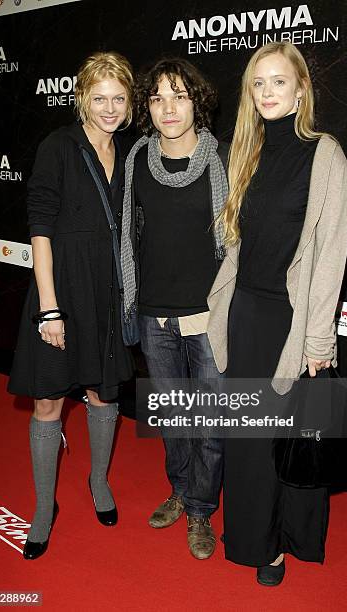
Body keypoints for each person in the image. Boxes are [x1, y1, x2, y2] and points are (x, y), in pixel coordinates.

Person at [207, 42, 347, 584]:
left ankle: (285, 539)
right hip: (246, 313)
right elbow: (237, 246)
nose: (267, 92)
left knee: (286, 439)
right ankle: (256, 542)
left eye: (278, 82)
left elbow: (331, 254)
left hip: (291, 322)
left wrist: (318, 341)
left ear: (300, 91)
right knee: (247, 438)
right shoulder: (243, 150)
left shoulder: (325, 154)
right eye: (258, 83)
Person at [8, 51, 135, 559]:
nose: (109, 108)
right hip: (59, 292)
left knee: (104, 396)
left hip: (107, 295)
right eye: (99, 97)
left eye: (119, 98)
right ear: (81, 97)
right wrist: (49, 308)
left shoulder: (129, 153)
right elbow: (40, 230)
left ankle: (98, 482)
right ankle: (43, 506)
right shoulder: (58, 146)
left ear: (129, 102)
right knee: (48, 401)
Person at [120, 58, 228, 560]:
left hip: (209, 316)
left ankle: (202, 510)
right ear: (147, 106)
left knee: (208, 424)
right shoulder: (137, 159)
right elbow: (127, 233)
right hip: (154, 314)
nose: (168, 107)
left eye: (179, 95)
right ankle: (181, 492)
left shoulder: (222, 159)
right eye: (158, 97)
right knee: (175, 419)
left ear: (197, 102)